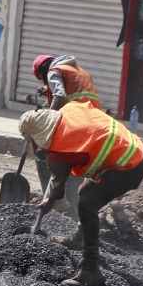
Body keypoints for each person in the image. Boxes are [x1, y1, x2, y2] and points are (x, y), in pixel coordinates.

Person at [20, 99, 143, 286]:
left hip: (129, 167)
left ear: (37, 137)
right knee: (85, 191)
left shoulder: (58, 154)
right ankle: (81, 237)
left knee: (87, 204)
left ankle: (90, 269)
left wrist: (48, 201)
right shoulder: (72, 108)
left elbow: (58, 190)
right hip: (136, 148)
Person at [28, 53, 100, 232]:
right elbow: (74, 93)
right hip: (92, 121)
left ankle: (55, 201)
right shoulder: (76, 70)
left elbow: (60, 97)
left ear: (44, 71)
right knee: (75, 166)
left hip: (76, 121)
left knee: (43, 153)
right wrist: (48, 90)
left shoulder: (54, 72)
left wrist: (47, 117)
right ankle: (81, 217)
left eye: (42, 79)